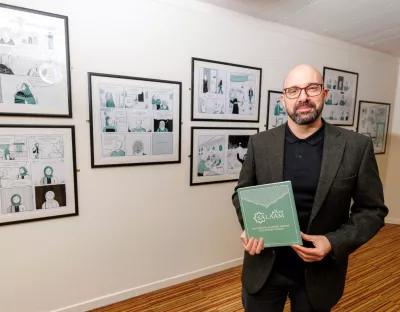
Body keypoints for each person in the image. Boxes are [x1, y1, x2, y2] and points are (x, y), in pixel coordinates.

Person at [232, 64, 388, 312]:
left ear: (324, 94)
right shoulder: (260, 143)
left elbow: (373, 210)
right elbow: (242, 192)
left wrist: (333, 242)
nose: (303, 96)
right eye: (293, 90)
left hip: (320, 274)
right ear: (283, 100)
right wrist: (250, 225)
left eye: (311, 88)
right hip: (264, 268)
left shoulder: (356, 147)